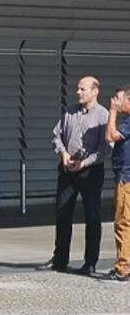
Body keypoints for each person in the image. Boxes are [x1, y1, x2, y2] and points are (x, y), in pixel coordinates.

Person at [38, 77, 108, 275]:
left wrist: (85, 163)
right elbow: (56, 135)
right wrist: (63, 154)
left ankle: (90, 262)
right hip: (68, 169)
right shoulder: (69, 111)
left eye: (83, 89)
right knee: (62, 213)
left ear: (95, 91)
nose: (78, 92)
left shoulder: (102, 115)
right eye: (77, 88)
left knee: (92, 216)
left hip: (90, 170)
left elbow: (105, 147)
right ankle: (60, 259)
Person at [103, 85, 130, 283]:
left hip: (126, 178)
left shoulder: (128, 123)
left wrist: (112, 112)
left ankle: (123, 267)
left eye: (118, 98)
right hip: (124, 175)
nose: (114, 101)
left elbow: (110, 136)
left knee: (123, 222)